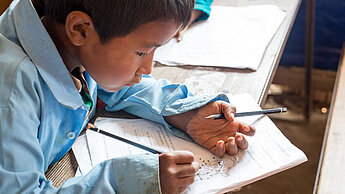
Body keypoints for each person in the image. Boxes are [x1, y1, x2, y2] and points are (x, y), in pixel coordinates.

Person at [0, 0, 255, 193]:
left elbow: (112, 83)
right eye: (142, 53)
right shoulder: (12, 88)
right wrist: (122, 180)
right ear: (80, 29)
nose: (147, 69)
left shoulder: (65, 34)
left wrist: (184, 111)